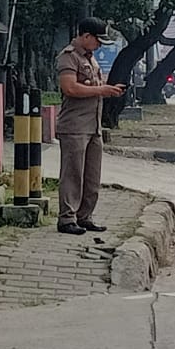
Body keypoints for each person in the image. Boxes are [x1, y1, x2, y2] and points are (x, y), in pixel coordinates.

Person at [54, 17, 125, 237]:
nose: (99, 46)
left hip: (93, 126)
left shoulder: (91, 60)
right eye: (97, 41)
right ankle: (67, 218)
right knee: (73, 174)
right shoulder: (69, 57)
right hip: (74, 126)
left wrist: (108, 89)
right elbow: (70, 88)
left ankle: (85, 216)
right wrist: (102, 91)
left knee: (92, 176)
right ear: (86, 36)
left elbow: (92, 88)